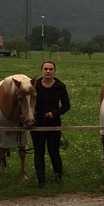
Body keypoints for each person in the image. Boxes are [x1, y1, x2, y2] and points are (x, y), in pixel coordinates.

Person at [31, 60, 71, 188]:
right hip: (37, 123)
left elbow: (66, 106)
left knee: (54, 151)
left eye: (50, 69)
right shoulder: (35, 86)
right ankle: (41, 181)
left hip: (54, 124)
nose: (48, 71)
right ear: (41, 70)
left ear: (55, 71)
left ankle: (58, 177)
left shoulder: (60, 87)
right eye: (45, 69)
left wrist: (54, 113)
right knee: (39, 152)